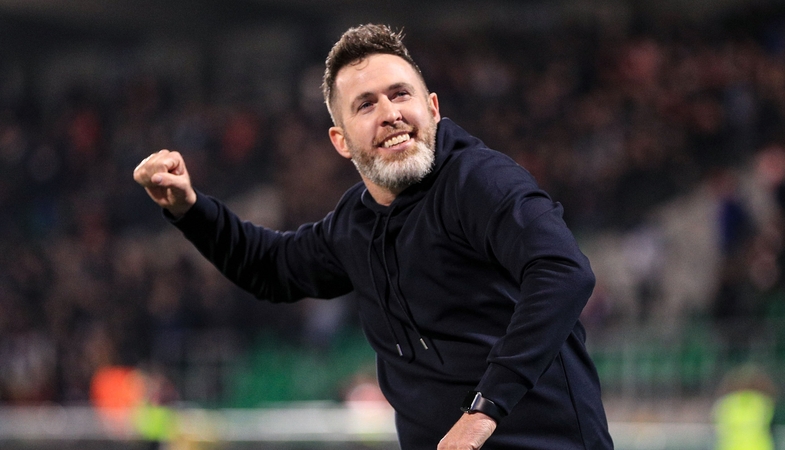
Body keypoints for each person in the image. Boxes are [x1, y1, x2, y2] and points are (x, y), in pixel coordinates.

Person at [134, 24, 613, 450]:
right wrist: (189, 208)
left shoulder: (480, 181)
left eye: (401, 95)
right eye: (366, 104)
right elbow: (272, 268)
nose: (390, 113)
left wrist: (483, 411)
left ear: (432, 109)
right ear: (341, 141)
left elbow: (563, 271)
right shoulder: (355, 223)